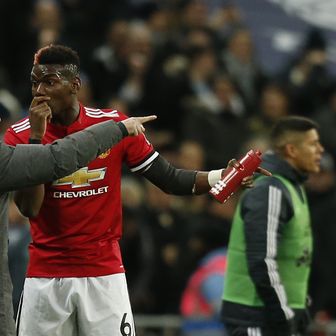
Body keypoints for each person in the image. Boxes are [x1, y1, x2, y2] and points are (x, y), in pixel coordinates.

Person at [4, 44, 269, 336]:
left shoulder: (115, 126)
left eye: (50, 82)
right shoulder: (19, 134)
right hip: (45, 276)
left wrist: (223, 174)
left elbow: (169, 179)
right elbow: (29, 208)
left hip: (103, 276)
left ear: (75, 85)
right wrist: (36, 139)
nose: (39, 91)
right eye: (35, 82)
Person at [0, 112, 157, 336]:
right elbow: (57, 159)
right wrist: (118, 129)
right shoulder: (8, 150)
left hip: (90, 271)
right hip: (47, 273)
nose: (38, 91)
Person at [221, 116, 324, 336]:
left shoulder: (290, 187)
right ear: (292, 150)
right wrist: (285, 314)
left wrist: (299, 303)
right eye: (313, 144)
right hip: (257, 316)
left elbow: (291, 255)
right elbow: (262, 260)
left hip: (274, 315)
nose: (320, 150)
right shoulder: (270, 190)